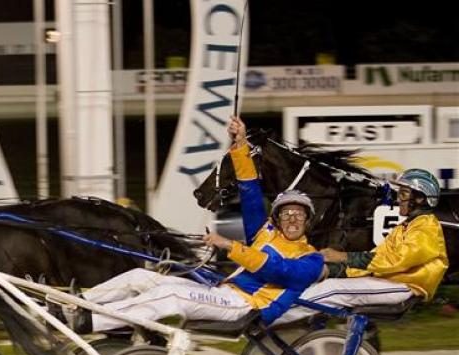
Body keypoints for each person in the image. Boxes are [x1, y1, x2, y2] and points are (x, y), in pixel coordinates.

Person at [69, 116, 324, 334]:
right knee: (142, 277)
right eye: (287, 213)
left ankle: (91, 320)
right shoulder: (264, 234)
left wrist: (229, 246)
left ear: (307, 222)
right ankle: (75, 304)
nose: (292, 218)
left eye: (299, 215)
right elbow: (249, 191)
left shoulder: (311, 260)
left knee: (171, 297)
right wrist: (241, 143)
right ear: (277, 219)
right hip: (223, 292)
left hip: (248, 307)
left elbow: (277, 272)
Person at [277, 168, 449, 323]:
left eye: (403, 194)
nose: (398, 199)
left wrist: (343, 257)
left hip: (406, 286)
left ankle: (273, 315)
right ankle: (281, 310)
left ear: (420, 199)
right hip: (390, 281)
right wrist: (333, 270)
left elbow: (395, 261)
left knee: (333, 290)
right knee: (324, 281)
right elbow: (374, 262)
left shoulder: (426, 227)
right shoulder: (404, 228)